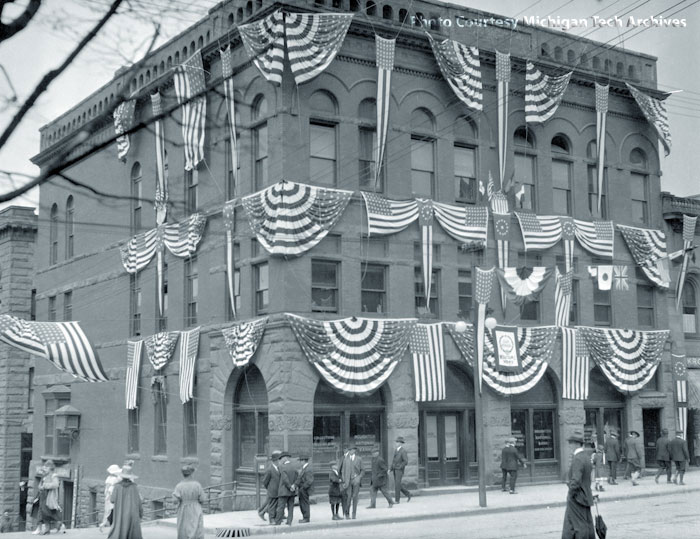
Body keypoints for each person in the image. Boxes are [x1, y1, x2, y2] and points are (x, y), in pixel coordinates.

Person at [562, 430, 596, 539]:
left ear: (576, 444)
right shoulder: (586, 456)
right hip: (585, 495)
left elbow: (576, 480)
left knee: (579, 525)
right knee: (582, 522)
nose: (569, 446)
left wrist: (571, 494)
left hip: (578, 497)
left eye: (571, 443)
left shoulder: (578, 458)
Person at [108, 463, 143, 539]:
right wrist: (140, 512)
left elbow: (112, 500)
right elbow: (139, 502)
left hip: (120, 513)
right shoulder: (134, 487)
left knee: (119, 528)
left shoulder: (117, 487)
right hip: (132, 513)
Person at [172, 464, 205, 539]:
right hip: (196, 507)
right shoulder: (197, 485)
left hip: (184, 508)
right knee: (196, 526)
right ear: (191, 474)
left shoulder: (179, 486)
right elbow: (202, 499)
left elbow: (175, 500)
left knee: (184, 527)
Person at [37, 460, 64, 535]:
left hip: (50, 497)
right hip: (43, 497)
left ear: (50, 468)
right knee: (44, 513)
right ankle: (47, 529)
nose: (44, 468)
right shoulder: (44, 476)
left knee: (51, 512)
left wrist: (45, 486)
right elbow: (40, 485)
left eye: (46, 467)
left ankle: (59, 525)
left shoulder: (54, 476)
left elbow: (55, 485)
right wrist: (40, 487)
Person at [274, 452, 297, 526]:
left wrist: (289, 486)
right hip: (292, 491)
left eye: (281, 459)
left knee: (281, 507)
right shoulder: (294, 467)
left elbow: (285, 479)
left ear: (284, 458)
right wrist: (294, 486)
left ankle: (278, 522)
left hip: (284, 491)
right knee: (290, 507)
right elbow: (297, 478)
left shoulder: (282, 467)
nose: (280, 461)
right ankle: (289, 521)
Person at [340, 446, 362, 519]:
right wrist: (344, 480)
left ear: (354, 450)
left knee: (355, 497)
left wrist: (358, 477)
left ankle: (354, 514)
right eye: (349, 450)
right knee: (348, 497)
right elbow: (343, 470)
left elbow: (363, 470)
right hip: (348, 481)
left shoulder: (359, 459)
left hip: (355, 480)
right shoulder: (346, 459)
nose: (350, 451)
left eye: (351, 450)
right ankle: (347, 513)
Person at [261, 451, 281, 525]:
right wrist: (269, 488)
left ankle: (275, 518)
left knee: (276, 505)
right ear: (276, 460)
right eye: (279, 459)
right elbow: (265, 481)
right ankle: (271, 519)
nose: (280, 461)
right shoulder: (269, 469)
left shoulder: (279, 468)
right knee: (272, 506)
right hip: (272, 491)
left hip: (278, 491)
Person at [389, 436, 411, 504]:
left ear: (401, 443)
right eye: (396, 442)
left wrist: (400, 467)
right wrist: (390, 469)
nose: (396, 443)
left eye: (398, 442)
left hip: (399, 470)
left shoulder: (403, 451)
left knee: (397, 485)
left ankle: (397, 500)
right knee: (397, 484)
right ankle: (408, 494)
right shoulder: (396, 450)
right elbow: (394, 461)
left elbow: (405, 461)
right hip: (395, 470)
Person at [100, 465, 121, 532]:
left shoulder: (112, 478)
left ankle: (110, 525)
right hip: (112, 497)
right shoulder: (113, 479)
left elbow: (106, 489)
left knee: (110, 511)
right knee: (111, 511)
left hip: (112, 496)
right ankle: (112, 525)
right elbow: (108, 488)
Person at [295, 455, 313, 523]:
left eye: (300, 461)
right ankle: (305, 517)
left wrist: (303, 488)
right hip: (302, 489)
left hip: (304, 489)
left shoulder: (308, 469)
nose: (300, 462)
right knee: (302, 503)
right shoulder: (304, 468)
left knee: (304, 503)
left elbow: (309, 481)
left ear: (303, 461)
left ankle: (306, 518)